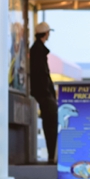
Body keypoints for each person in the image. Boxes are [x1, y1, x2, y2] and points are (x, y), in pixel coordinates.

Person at [29, 21, 58, 164]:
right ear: (46, 34)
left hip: (42, 94)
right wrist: (48, 93)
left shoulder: (36, 50)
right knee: (51, 124)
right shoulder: (38, 51)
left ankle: (52, 155)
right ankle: (52, 156)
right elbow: (41, 75)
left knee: (50, 124)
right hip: (44, 95)